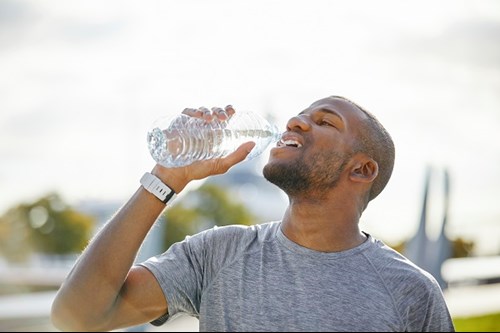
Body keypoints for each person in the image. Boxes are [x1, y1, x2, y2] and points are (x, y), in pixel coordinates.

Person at [51, 96, 455, 332]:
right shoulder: (217, 254)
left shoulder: (411, 293)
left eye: (324, 121)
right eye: (301, 115)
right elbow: (76, 316)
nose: (296, 121)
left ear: (362, 170)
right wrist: (163, 179)